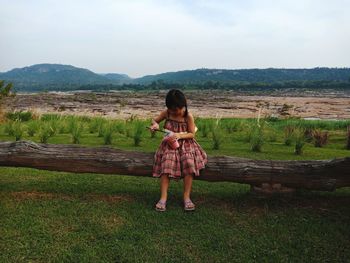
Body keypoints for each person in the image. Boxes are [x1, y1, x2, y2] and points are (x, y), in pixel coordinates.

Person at [149, 89, 207, 212]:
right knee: (166, 164)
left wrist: (180, 135)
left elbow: (192, 134)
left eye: (177, 109)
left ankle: (186, 197)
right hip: (169, 144)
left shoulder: (188, 116)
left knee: (189, 163)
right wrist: (155, 125)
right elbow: (154, 121)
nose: (175, 112)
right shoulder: (167, 113)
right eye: (172, 109)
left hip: (186, 144)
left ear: (183, 106)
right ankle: (163, 198)